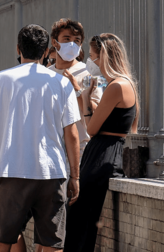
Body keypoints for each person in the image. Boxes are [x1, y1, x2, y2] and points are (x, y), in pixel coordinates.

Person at [0, 24, 81, 252]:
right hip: (51, 172)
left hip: (11, 172)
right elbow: (71, 135)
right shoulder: (62, 83)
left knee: (2, 240)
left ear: (18, 49)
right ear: (46, 52)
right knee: (51, 244)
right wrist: (75, 176)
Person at [64, 33, 139, 252]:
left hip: (101, 155)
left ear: (104, 57)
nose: (91, 62)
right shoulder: (126, 84)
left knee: (79, 220)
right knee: (83, 220)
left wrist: (86, 97)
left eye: (94, 57)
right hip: (107, 152)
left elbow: (91, 128)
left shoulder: (116, 86)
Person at [48, 18, 102, 159]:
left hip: (80, 149)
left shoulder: (89, 73)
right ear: (55, 42)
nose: (72, 44)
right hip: (51, 148)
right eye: (66, 39)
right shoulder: (46, 74)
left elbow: (97, 112)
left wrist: (77, 89)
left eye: (77, 40)